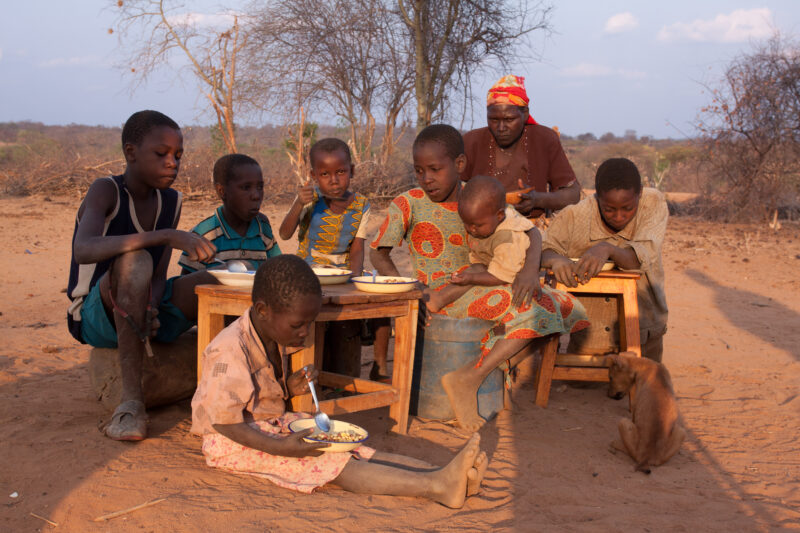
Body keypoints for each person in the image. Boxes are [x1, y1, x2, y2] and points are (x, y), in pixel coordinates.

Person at [191, 255, 488, 508]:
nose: (305, 332)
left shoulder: (270, 332)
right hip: (230, 441)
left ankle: (443, 473)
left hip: (269, 423)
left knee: (354, 449)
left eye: (309, 323)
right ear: (262, 310)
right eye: (298, 325)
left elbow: (253, 394)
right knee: (330, 464)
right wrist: (279, 448)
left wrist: (287, 389)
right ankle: (436, 486)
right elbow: (224, 422)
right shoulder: (228, 350)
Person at [370, 124, 589, 431]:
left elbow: (528, 231)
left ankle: (476, 375)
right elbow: (378, 253)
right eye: (419, 170)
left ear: (459, 165)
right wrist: (408, 293)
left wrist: (528, 271)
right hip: (434, 297)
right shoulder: (409, 203)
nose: (426, 178)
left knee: (560, 307)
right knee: (540, 308)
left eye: (435, 169)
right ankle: (475, 378)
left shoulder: (480, 195)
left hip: (480, 285)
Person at [67, 110, 218, 441]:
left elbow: (160, 275)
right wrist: (165, 235)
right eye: (161, 154)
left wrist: (151, 306)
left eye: (178, 155)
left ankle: (225, 388)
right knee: (134, 261)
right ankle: (131, 404)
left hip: (144, 302)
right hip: (96, 313)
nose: (172, 163)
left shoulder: (171, 200)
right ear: (131, 152)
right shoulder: (105, 190)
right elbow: (84, 249)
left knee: (214, 281)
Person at [279, 138, 390, 381]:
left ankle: (380, 366)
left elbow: (357, 248)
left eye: (340, 172)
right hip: (307, 273)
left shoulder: (361, 205)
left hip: (343, 274)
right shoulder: (309, 200)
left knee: (382, 300)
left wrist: (355, 281)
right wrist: (299, 203)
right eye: (325, 174)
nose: (334, 180)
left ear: (352, 171)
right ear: (314, 175)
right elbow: (285, 233)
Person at [541, 158, 669, 362]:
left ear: (640, 195)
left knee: (642, 384)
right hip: (591, 333)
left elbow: (639, 259)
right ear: (597, 197)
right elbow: (544, 249)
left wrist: (606, 249)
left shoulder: (653, 203)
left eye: (628, 208)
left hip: (644, 329)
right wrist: (555, 260)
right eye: (609, 209)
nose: (619, 216)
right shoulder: (574, 216)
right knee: (585, 384)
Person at [461, 75, 581, 220]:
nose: (501, 128)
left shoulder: (544, 138)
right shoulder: (472, 141)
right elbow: (456, 188)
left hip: (532, 227)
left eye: (509, 119)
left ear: (525, 114)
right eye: (493, 120)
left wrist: (537, 199)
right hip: (480, 226)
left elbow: (573, 193)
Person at [425, 175, 535, 313]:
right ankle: (439, 297)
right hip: (493, 264)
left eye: (477, 225)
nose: (471, 229)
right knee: (474, 270)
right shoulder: (487, 220)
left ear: (499, 216)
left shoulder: (507, 237)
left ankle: (439, 299)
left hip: (512, 272)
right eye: (466, 223)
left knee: (473, 274)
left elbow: (501, 275)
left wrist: (471, 278)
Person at [178, 153, 281, 274]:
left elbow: (278, 269)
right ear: (222, 191)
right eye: (246, 187)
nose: (256, 195)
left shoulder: (263, 229)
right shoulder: (203, 236)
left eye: (260, 187)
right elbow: (185, 284)